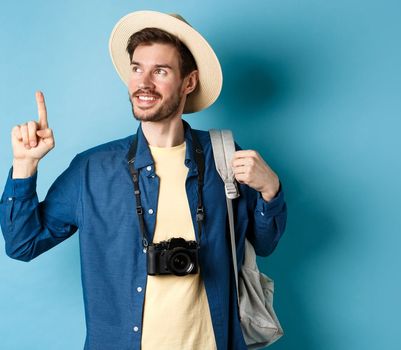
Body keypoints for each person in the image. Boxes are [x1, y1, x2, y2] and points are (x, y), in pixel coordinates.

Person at [0, 11, 287, 350]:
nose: (143, 82)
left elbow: (264, 245)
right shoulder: (92, 169)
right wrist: (23, 166)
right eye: (137, 68)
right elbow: (22, 244)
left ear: (189, 82)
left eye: (160, 71)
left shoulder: (223, 156)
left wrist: (271, 190)